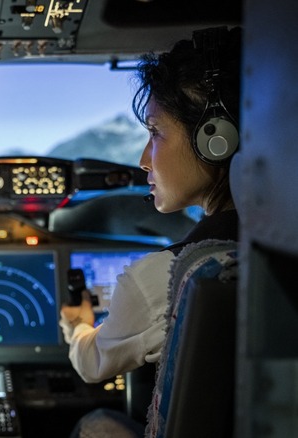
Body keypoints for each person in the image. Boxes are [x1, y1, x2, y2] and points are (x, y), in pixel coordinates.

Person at [59, 25, 241, 386]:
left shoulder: (169, 277)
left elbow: (92, 363)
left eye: (155, 132)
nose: (144, 160)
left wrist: (78, 325)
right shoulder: (274, 242)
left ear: (216, 140)